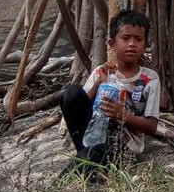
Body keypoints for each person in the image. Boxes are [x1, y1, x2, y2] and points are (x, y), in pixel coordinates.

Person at [59, 9, 161, 171]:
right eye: (125, 38)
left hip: (122, 148)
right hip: (93, 136)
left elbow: (151, 127)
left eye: (138, 39)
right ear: (112, 44)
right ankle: (86, 153)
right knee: (71, 93)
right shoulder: (102, 72)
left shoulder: (150, 79)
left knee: (89, 156)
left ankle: (80, 166)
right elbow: (81, 108)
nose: (132, 44)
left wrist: (123, 115)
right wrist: (100, 83)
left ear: (145, 45)